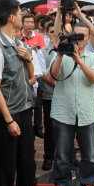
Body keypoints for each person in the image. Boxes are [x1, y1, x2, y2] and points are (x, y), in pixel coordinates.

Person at [0, 0, 46, 186]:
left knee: (26, 159)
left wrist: (28, 57)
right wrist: (9, 119)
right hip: (7, 114)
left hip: (23, 108)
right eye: (20, 13)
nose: (23, 18)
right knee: (7, 164)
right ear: (11, 17)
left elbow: (31, 76)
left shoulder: (15, 42)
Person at [49, 12, 94, 186]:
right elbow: (52, 78)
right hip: (62, 111)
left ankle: (89, 182)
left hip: (86, 112)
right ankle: (61, 182)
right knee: (63, 152)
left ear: (88, 39)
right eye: (75, 35)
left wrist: (78, 60)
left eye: (82, 36)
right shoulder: (61, 54)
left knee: (88, 153)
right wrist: (60, 55)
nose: (78, 40)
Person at [36, 22, 57, 171]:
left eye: (58, 32)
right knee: (49, 128)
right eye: (52, 32)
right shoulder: (41, 52)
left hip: (68, 95)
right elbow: (44, 75)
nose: (55, 35)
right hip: (50, 95)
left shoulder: (72, 51)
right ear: (47, 33)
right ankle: (48, 157)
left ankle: (69, 156)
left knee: (69, 127)